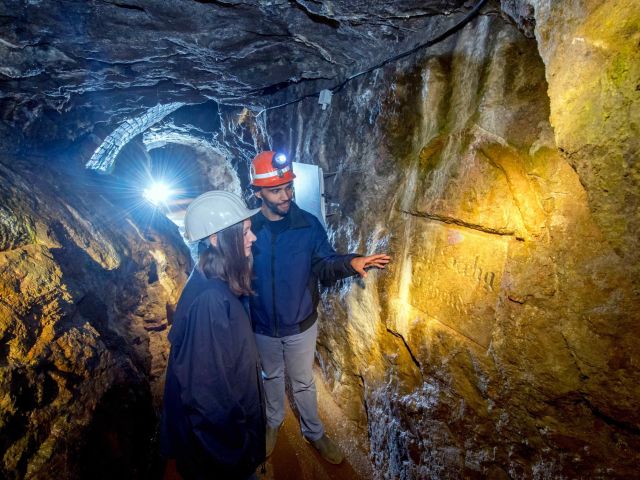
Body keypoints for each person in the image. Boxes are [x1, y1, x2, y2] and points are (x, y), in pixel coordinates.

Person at [248, 151, 390, 464]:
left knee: (302, 381)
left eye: (288, 187)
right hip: (261, 324)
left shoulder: (308, 225)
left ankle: (313, 431)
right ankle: (273, 423)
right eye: (276, 190)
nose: (286, 196)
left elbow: (324, 264)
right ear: (258, 192)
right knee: (270, 376)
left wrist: (349, 262)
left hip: (300, 323)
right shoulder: (247, 228)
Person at [160, 190, 265, 480]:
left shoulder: (217, 282)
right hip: (222, 456)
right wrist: (236, 451)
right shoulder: (210, 300)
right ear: (217, 239)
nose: (252, 237)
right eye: (244, 231)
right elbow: (208, 398)